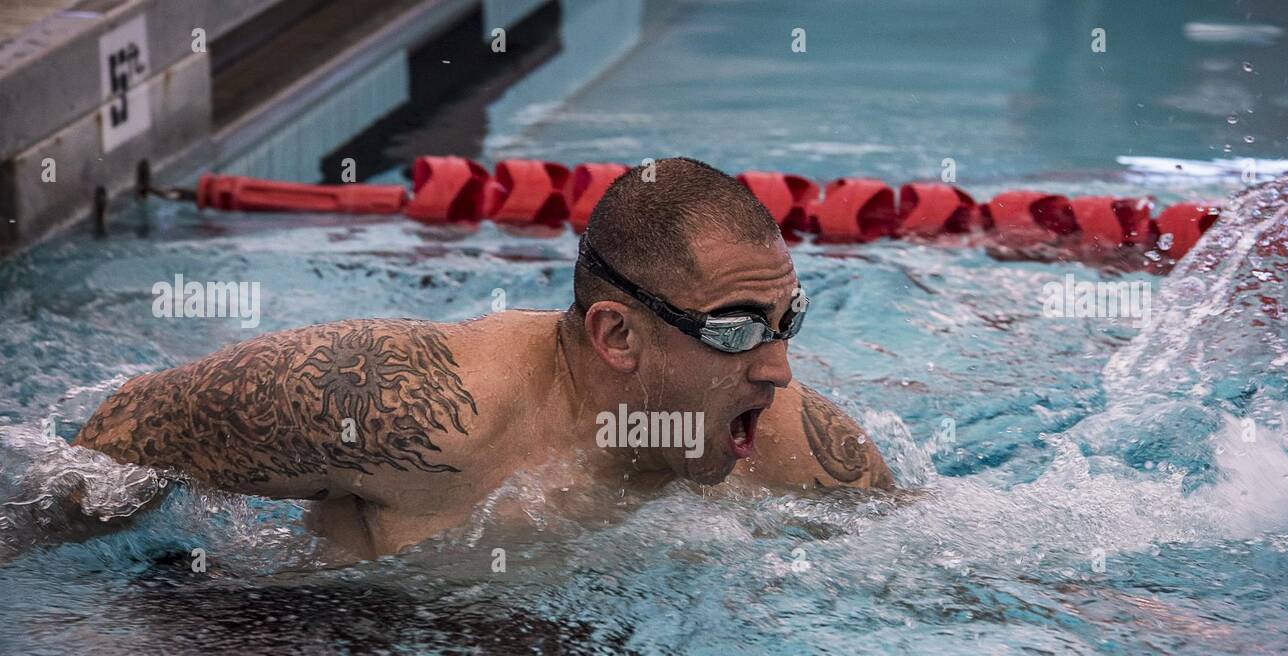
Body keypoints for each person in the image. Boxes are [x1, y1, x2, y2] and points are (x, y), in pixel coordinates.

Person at [75, 158, 893, 558]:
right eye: (737, 330)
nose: (779, 369)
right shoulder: (422, 409)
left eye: (787, 322)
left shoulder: (790, 444)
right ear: (616, 336)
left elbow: (942, 563)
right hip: (312, 643)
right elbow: (118, 430)